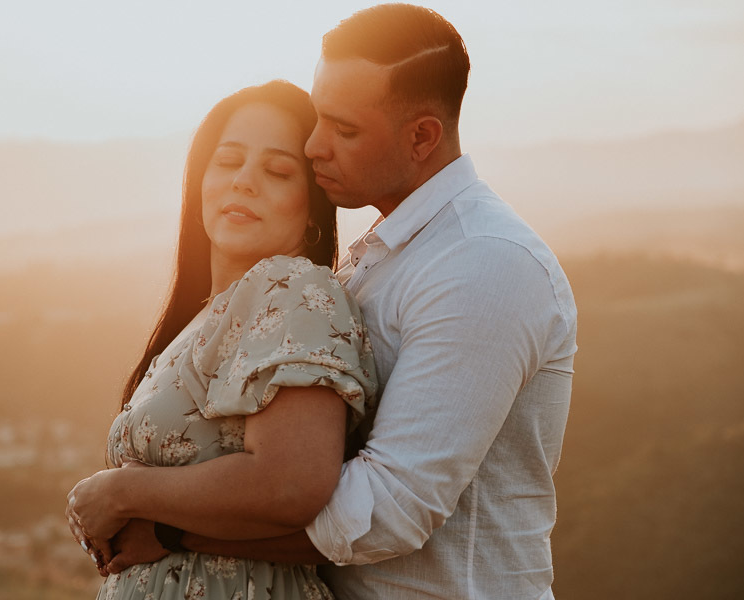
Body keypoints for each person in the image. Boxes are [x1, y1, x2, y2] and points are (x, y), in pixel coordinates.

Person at [103, 4, 578, 599]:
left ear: (423, 136)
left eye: (343, 129)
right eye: (318, 117)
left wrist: (173, 531)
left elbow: (389, 510)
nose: (313, 144)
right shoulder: (374, 259)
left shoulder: (482, 263)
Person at [65, 79, 377, 599]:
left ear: (312, 205)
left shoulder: (295, 288)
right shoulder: (203, 317)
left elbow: (291, 484)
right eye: (228, 162)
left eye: (277, 171)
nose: (244, 182)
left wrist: (122, 490)